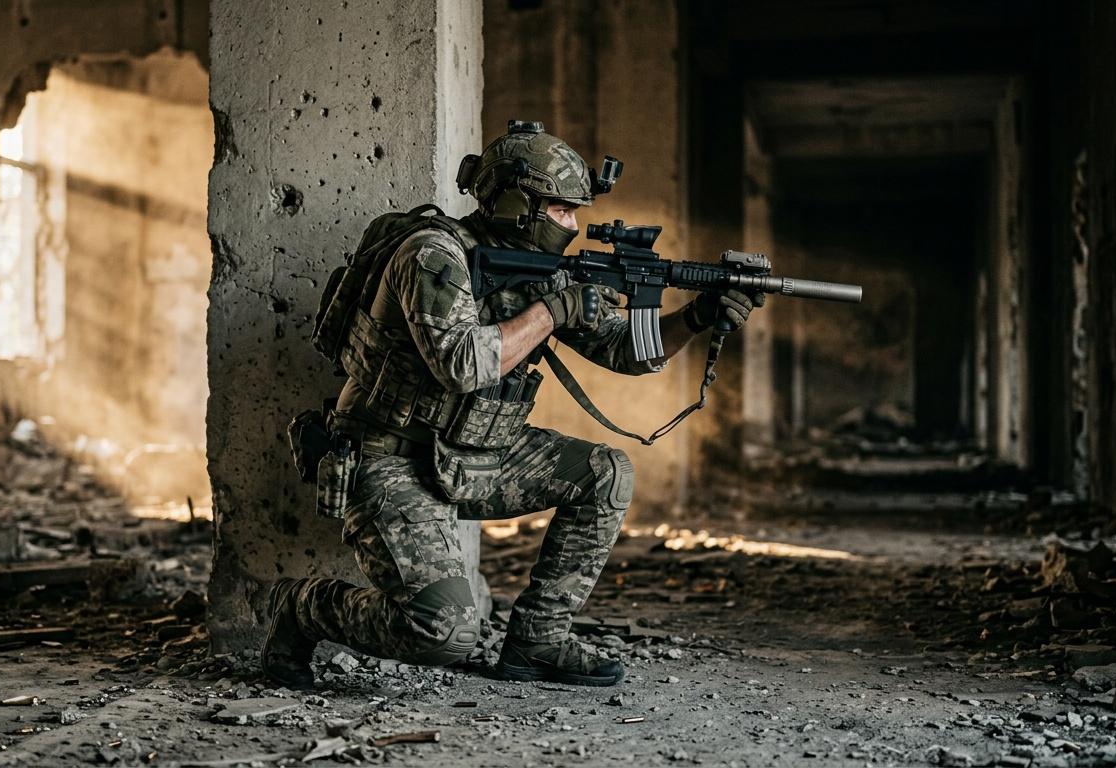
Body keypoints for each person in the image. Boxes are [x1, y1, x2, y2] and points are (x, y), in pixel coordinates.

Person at [262, 121, 757, 688]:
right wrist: (555, 311)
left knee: (605, 472)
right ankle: (296, 607)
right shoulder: (433, 255)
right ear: (518, 202)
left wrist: (695, 317)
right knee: (443, 633)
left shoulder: (541, 272)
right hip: (391, 458)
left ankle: (539, 641)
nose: (573, 225)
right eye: (561, 210)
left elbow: (626, 351)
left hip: (475, 454)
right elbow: (464, 365)